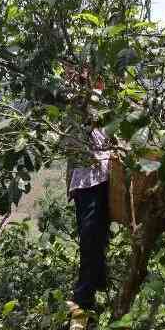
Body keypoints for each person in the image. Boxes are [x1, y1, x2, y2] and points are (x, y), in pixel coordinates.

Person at [65, 85, 112, 311]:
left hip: (99, 176)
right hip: (85, 178)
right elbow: (71, 148)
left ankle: (85, 294)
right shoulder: (76, 102)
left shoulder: (99, 101)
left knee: (91, 235)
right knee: (92, 235)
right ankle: (96, 284)